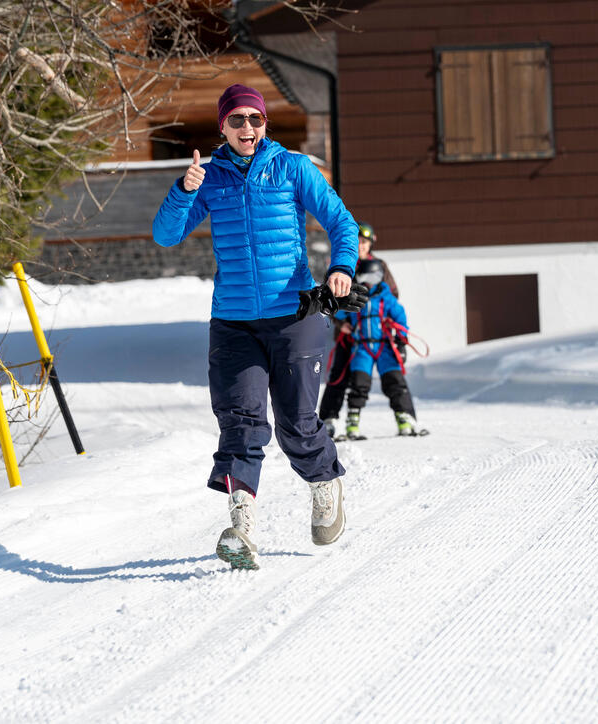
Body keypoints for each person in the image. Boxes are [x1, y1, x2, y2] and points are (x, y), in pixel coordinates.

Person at [151, 84, 366, 570]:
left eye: (256, 119)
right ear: (222, 127)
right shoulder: (209, 177)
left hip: (294, 317)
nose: (247, 128)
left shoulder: (291, 167)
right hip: (234, 323)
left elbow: (340, 221)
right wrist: (184, 190)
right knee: (240, 424)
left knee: (295, 424)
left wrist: (342, 268)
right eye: (237, 120)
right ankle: (241, 528)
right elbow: (166, 236)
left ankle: (324, 483)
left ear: (264, 125)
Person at [318, 222, 399, 439]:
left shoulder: (380, 265)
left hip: (373, 333)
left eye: (364, 242)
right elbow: (328, 300)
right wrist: (339, 323)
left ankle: (404, 416)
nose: (361, 246)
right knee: (339, 375)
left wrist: (385, 319)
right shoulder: (342, 264)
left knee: (387, 373)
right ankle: (328, 419)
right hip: (347, 333)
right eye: (357, 241)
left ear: (371, 243)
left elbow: (392, 294)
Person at [339, 257, 426, 440]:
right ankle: (352, 423)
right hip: (362, 347)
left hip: (384, 346)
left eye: (375, 277)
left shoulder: (386, 297)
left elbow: (400, 318)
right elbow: (339, 312)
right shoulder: (355, 296)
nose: (370, 282)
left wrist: (401, 343)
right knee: (359, 383)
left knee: (395, 381)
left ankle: (404, 419)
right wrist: (342, 313)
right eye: (366, 278)